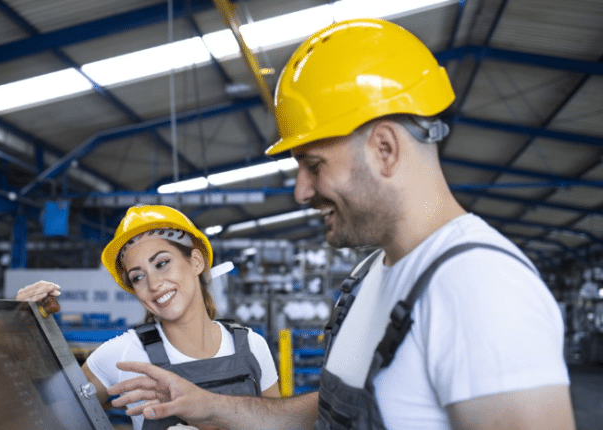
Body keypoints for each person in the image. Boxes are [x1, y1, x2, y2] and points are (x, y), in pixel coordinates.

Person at [104, 18, 576, 430]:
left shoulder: (479, 288)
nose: (301, 191)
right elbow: (330, 412)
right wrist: (208, 405)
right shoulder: (372, 275)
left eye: (314, 165)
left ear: (385, 149)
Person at [16, 205, 280, 430]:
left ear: (196, 262)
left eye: (162, 263)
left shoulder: (252, 347)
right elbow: (41, 414)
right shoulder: (123, 355)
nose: (153, 284)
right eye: (138, 277)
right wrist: (21, 329)